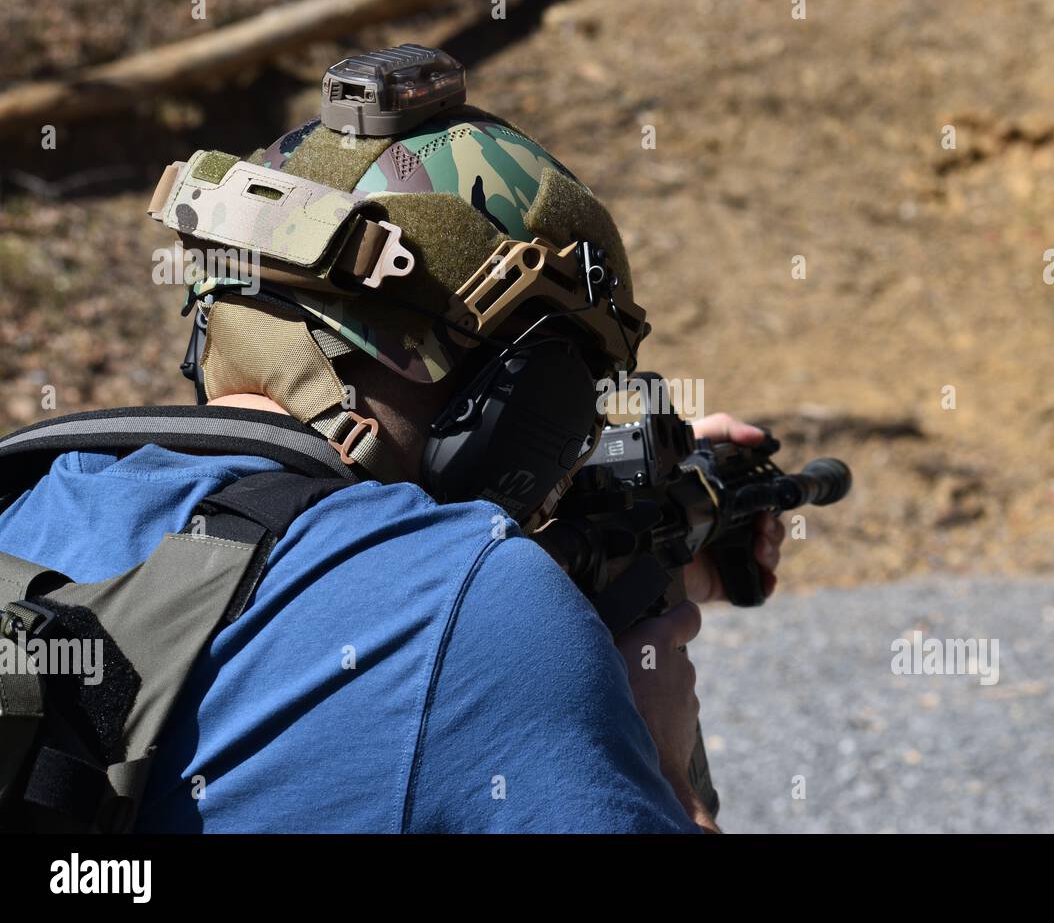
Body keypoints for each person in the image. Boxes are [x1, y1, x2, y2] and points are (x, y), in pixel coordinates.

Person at [0, 48, 785, 833]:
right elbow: (438, 637)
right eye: (579, 384)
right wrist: (664, 761)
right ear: (530, 386)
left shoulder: (29, 499)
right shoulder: (475, 610)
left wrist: (652, 540)